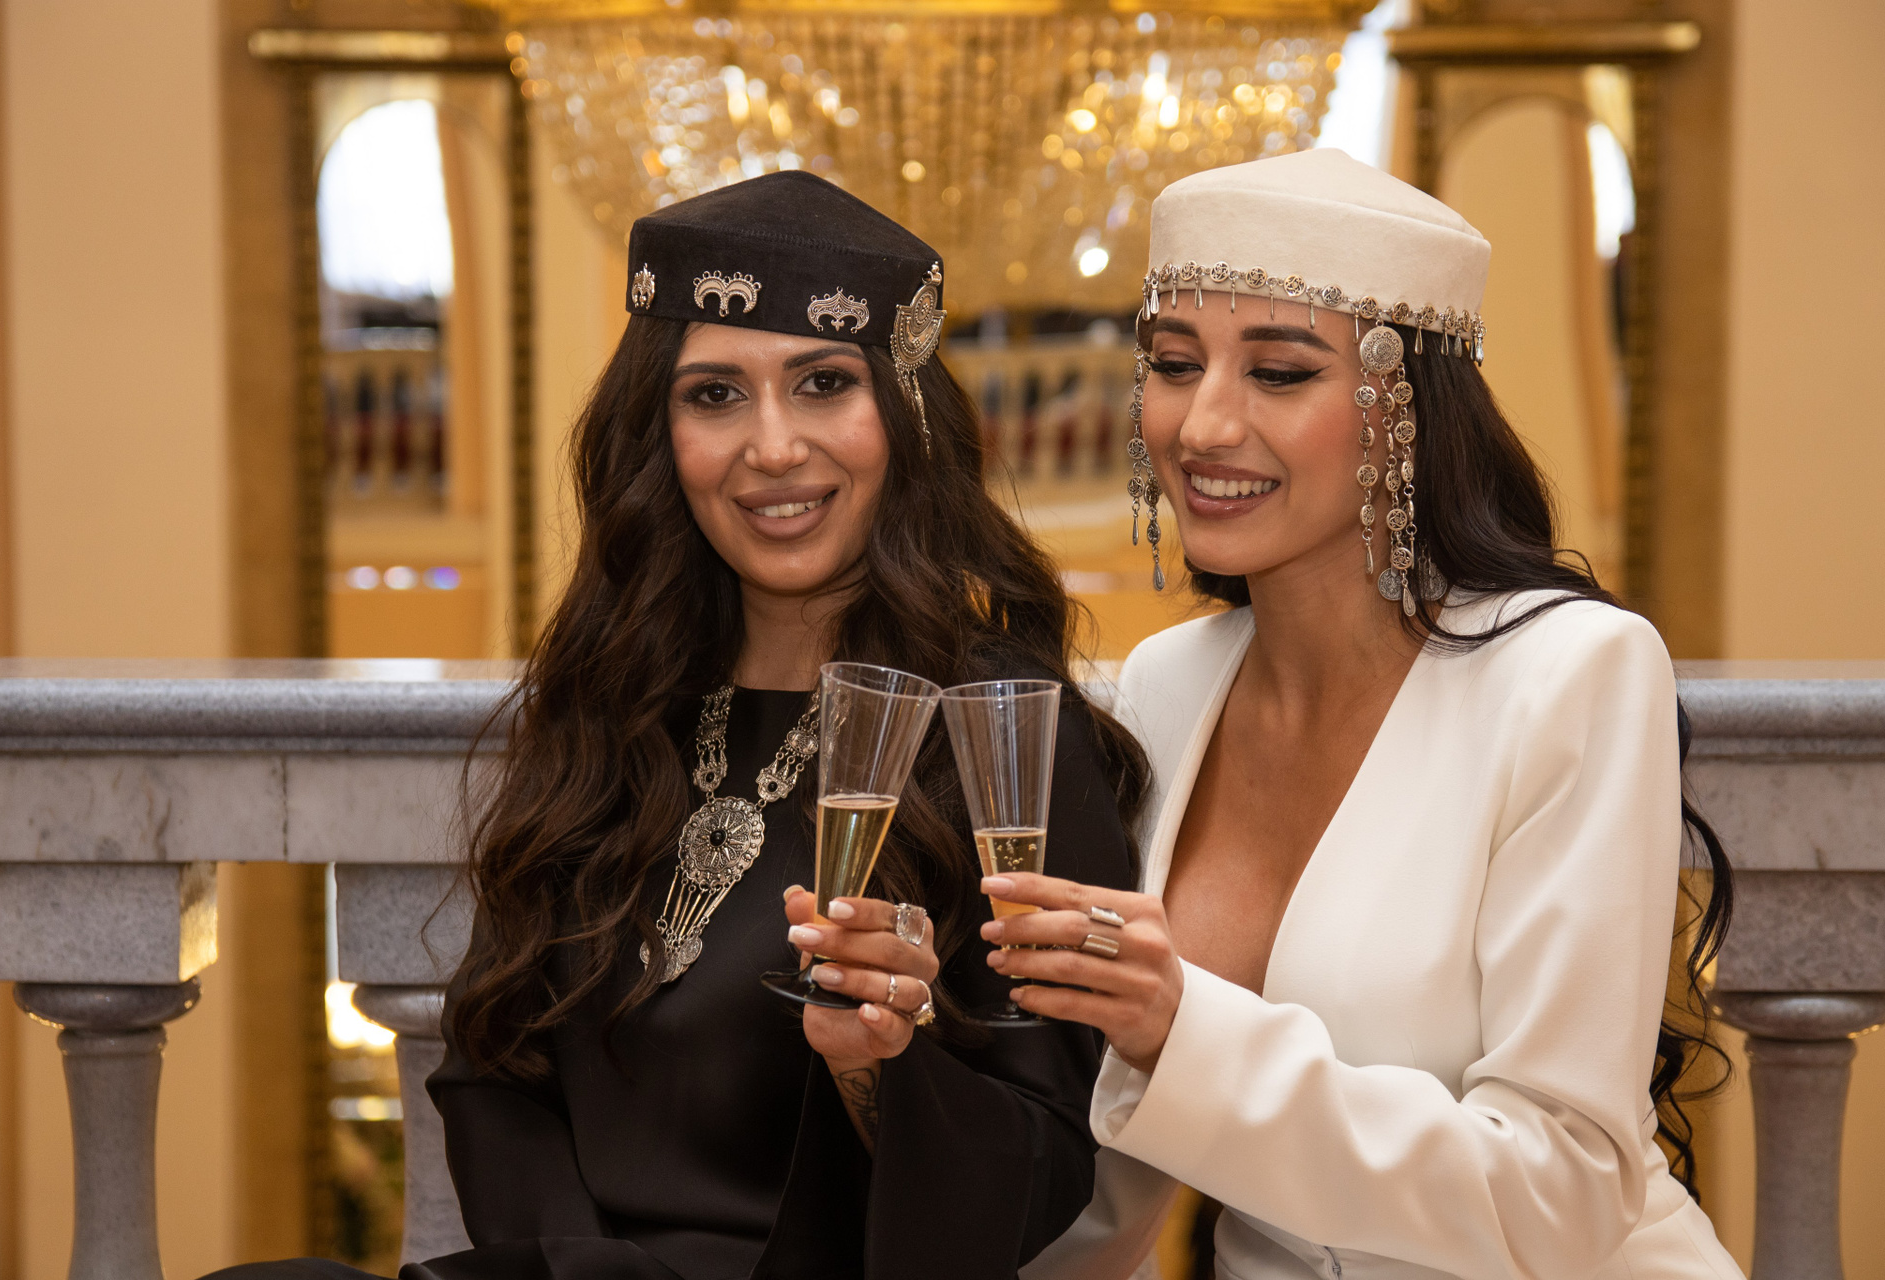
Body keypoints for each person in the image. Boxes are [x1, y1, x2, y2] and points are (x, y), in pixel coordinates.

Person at [209, 171, 1147, 1280]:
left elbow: (1044, 1169)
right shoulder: (620, 698)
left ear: (903, 417)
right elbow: (493, 1063)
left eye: (824, 383)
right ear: (660, 431)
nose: (773, 446)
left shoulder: (1002, 733)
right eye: (715, 394)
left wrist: (876, 1062)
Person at [989, 150, 1742, 1280]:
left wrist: (1182, 1028)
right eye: (1175, 365)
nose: (1202, 424)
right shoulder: (1167, 683)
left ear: (1408, 410)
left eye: (1279, 373)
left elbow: (1563, 1194)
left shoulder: (1573, 672)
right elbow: (1114, 1165)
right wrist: (890, 1060)